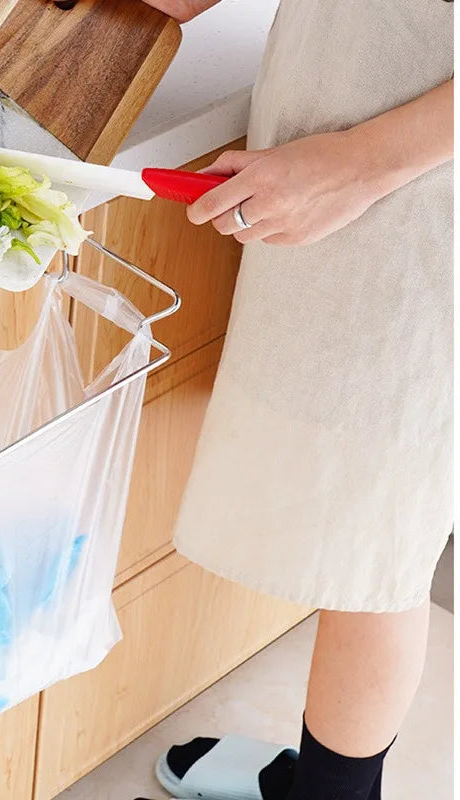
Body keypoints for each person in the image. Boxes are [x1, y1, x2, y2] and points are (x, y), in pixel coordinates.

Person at [134, 0, 454, 798]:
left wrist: (359, 164)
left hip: (418, 190)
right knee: (360, 523)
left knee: (382, 540)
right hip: (344, 146)